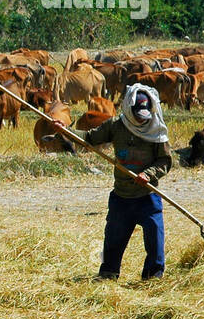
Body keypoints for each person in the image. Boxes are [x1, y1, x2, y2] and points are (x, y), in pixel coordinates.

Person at [51, 83, 171, 280]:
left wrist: (148, 174)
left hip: (147, 197)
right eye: (138, 115)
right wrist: (66, 131)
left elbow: (165, 161)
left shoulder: (156, 131)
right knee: (113, 240)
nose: (141, 120)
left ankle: (153, 278)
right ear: (129, 109)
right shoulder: (116, 126)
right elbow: (89, 138)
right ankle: (108, 275)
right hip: (121, 197)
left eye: (144, 115)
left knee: (155, 240)